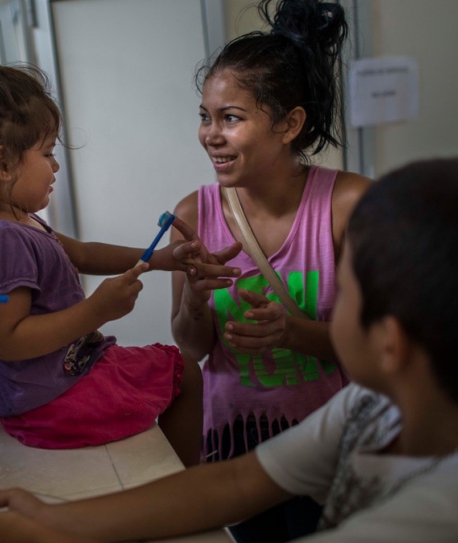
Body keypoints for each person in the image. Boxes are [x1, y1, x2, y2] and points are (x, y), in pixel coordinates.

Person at [0, 156, 458, 543]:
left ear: (393, 342)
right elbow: (238, 478)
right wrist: (58, 521)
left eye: (345, 284)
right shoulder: (378, 404)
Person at [0, 40, 224, 467]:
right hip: (47, 405)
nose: (55, 166)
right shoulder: (1, 241)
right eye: (46, 153)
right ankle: (184, 490)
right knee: (185, 373)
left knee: (177, 370)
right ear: (3, 165)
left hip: (53, 385)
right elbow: (9, 340)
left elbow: (79, 252)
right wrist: (97, 310)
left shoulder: (17, 222)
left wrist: (161, 258)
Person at [170, 0, 372, 539]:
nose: (210, 134)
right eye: (204, 116)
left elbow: (379, 348)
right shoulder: (193, 215)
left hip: (335, 448)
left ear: (289, 125)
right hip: (239, 449)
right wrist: (193, 299)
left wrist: (294, 332)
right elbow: (191, 349)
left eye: (230, 118)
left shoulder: (349, 206)